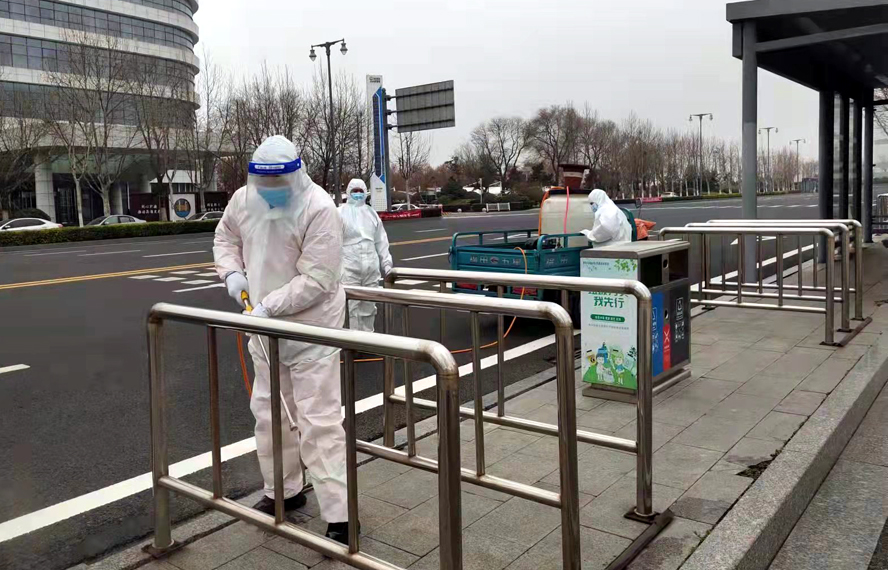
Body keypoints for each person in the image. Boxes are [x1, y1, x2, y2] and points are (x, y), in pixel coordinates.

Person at [213, 135, 353, 544]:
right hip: (265, 330)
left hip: (311, 329)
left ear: (297, 174)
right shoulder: (244, 199)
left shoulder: (318, 207)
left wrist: (268, 306)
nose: (271, 190)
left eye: (278, 182)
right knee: (270, 414)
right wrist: (231, 272)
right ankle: (283, 491)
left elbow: (318, 278)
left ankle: (341, 516)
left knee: (318, 421)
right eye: (264, 182)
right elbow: (225, 237)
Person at [338, 179, 393, 332]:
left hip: (371, 268)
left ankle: (368, 337)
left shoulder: (371, 214)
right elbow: (332, 242)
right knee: (351, 306)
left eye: (360, 191)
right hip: (349, 268)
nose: (358, 194)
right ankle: (353, 340)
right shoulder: (339, 213)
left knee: (369, 305)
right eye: (354, 191)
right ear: (348, 192)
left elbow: (381, 240)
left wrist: (387, 263)